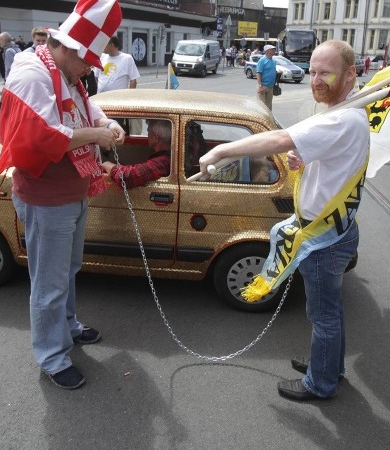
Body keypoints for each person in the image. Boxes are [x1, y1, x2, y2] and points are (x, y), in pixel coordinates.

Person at [198, 39, 368, 402]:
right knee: (329, 312)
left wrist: (222, 149)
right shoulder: (345, 111)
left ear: (351, 73)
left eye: (327, 72)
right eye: (315, 71)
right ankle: (329, 367)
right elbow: (332, 161)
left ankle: (320, 384)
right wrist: (305, 162)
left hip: (324, 237)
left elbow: (279, 138)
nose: (317, 79)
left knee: (323, 315)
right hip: (335, 228)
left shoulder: (342, 118)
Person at [0, 0, 125, 390]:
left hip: (72, 190)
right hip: (46, 196)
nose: (89, 70)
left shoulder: (63, 72)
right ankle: (51, 354)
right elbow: (43, 134)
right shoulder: (31, 71)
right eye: (87, 60)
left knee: (67, 270)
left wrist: (107, 122)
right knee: (48, 282)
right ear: (67, 47)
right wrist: (98, 135)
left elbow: (86, 107)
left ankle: (67, 327)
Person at [101, 119, 171, 188]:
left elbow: (125, 177)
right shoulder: (166, 157)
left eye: (148, 132)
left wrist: (103, 162)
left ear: (156, 138)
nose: (147, 135)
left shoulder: (163, 162)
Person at [255, 44, 278, 110]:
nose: (274, 51)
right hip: (263, 86)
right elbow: (258, 73)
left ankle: (268, 119)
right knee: (261, 107)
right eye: (272, 50)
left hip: (270, 87)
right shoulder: (262, 60)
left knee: (269, 107)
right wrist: (260, 86)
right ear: (267, 51)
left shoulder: (273, 61)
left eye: (274, 50)